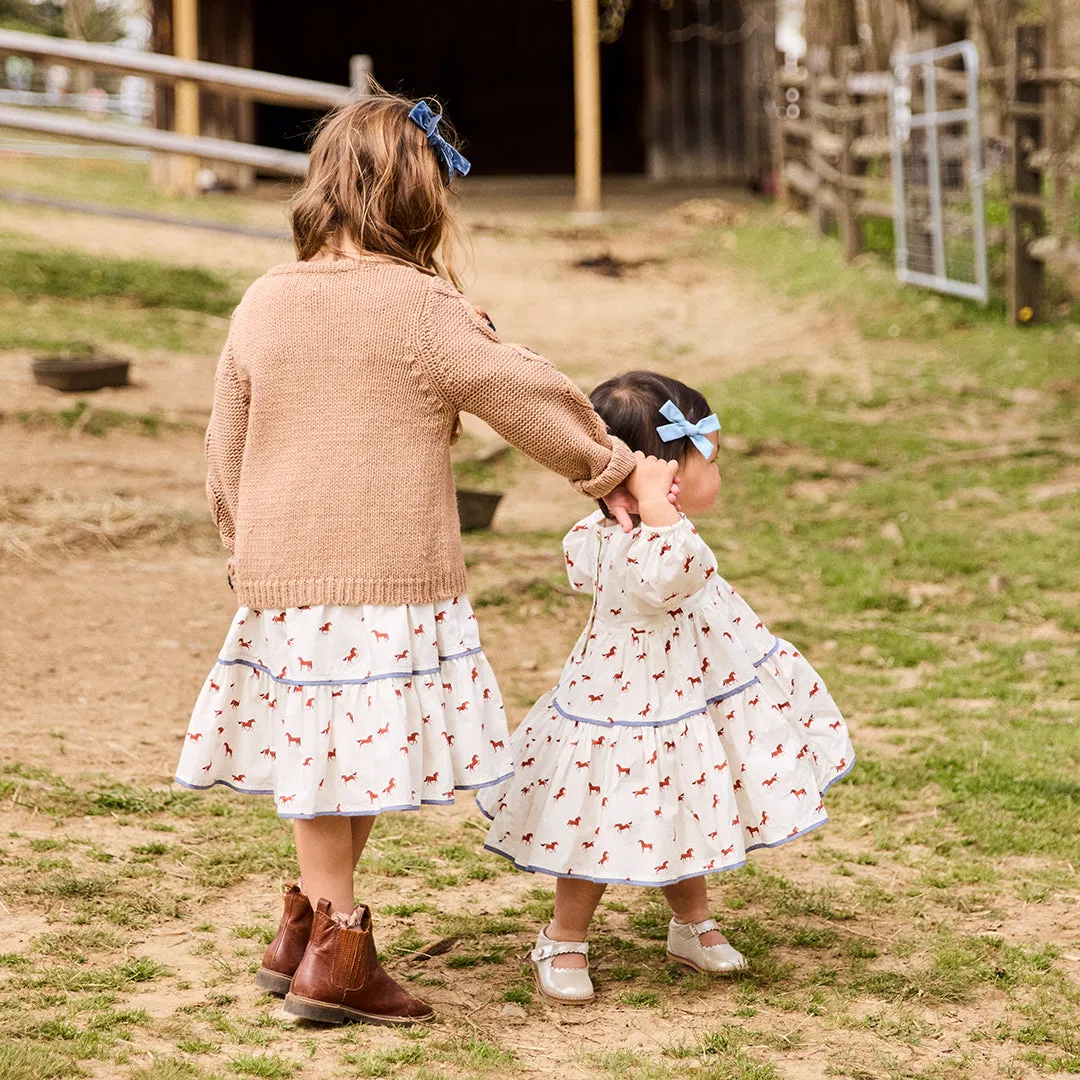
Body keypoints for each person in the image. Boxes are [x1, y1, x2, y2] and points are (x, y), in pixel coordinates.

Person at [174, 93, 646, 1026]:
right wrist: (611, 467)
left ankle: (304, 933)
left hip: (286, 577)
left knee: (332, 761)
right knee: (332, 768)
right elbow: (521, 391)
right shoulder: (421, 309)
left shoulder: (266, 299)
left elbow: (222, 443)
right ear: (420, 197)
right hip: (381, 579)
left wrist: (244, 545)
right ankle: (339, 955)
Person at [478, 371, 855, 1004]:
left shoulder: (661, 535)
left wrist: (657, 513)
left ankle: (691, 921)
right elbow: (673, 578)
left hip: (693, 697)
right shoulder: (616, 540)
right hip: (621, 707)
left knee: (692, 797)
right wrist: (653, 511)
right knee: (594, 813)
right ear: (667, 471)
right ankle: (564, 934)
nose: (719, 468)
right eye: (712, 454)